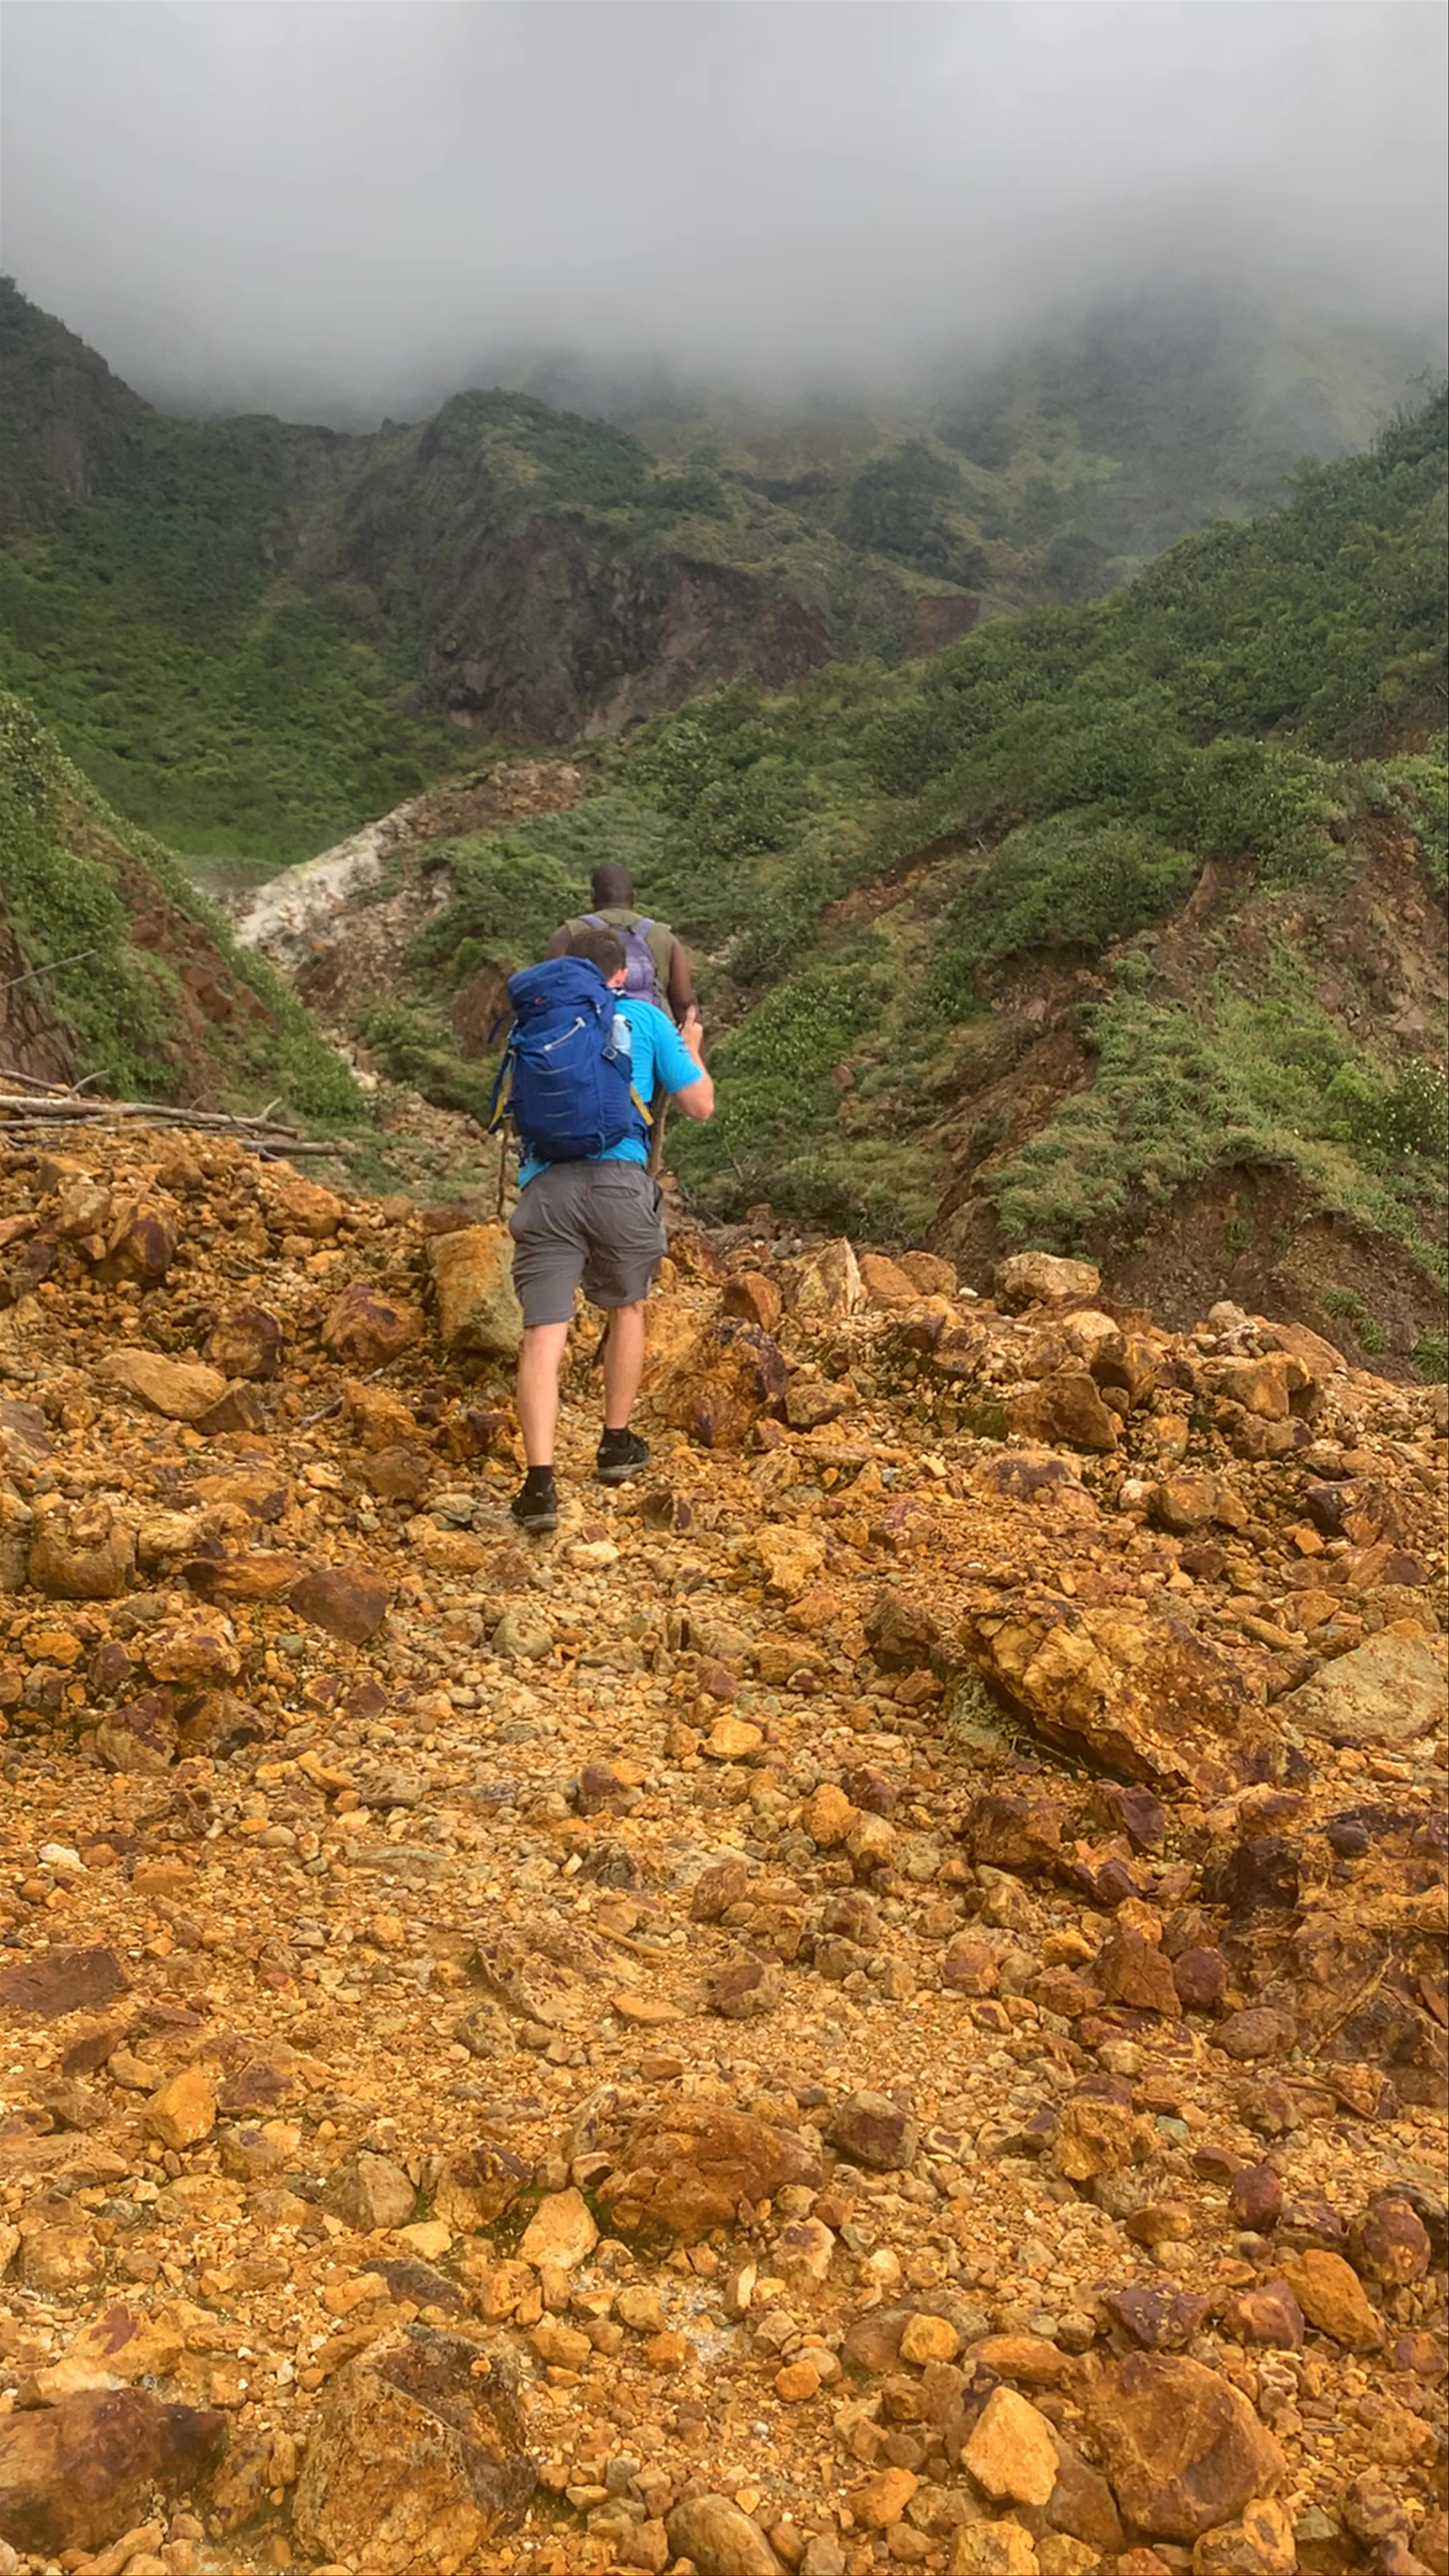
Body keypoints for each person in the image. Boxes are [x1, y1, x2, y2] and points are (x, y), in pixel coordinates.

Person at [504, 923, 713, 1535]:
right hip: (619, 1183)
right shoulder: (646, 1020)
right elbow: (700, 1105)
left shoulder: (538, 1025)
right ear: (621, 974)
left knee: (543, 1336)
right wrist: (692, 1046)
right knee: (627, 1310)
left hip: (545, 1189)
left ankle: (539, 1485)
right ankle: (615, 1444)